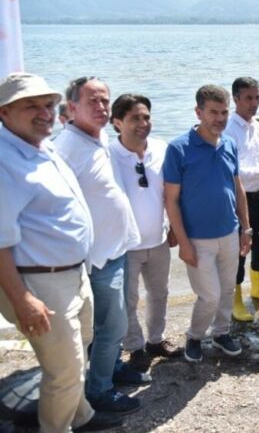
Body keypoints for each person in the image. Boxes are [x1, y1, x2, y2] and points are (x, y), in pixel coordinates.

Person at [0, 73, 122, 432]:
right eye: (30, 106)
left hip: (71, 274)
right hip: (39, 284)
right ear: (4, 112)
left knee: (79, 349)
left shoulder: (43, 145)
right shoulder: (4, 162)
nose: (43, 113)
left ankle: (80, 415)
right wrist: (22, 300)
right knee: (65, 371)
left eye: (47, 105)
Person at [54, 76, 145, 414]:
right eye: (92, 101)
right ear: (71, 107)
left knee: (113, 323)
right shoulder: (66, 148)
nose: (102, 107)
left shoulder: (98, 136)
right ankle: (100, 391)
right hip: (97, 258)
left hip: (117, 249)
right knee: (111, 326)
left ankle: (111, 369)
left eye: (105, 101)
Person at [163, 84, 251, 363]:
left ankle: (222, 332)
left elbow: (238, 189)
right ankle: (195, 335)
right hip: (197, 239)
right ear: (198, 112)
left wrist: (246, 228)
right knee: (209, 295)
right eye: (213, 112)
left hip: (230, 232)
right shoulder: (178, 148)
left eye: (224, 112)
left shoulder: (229, 144)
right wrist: (183, 242)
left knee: (227, 289)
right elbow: (171, 200)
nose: (220, 119)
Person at [109, 94, 182, 364]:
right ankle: (135, 346)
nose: (143, 123)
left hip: (159, 239)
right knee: (127, 301)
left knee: (160, 293)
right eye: (135, 118)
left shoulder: (161, 148)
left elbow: (171, 193)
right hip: (125, 245)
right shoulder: (108, 154)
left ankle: (155, 341)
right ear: (117, 122)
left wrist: (174, 227)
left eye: (147, 117)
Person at [223, 77, 259, 319]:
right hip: (236, 198)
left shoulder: (258, 126)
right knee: (239, 251)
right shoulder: (228, 129)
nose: (254, 103)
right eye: (248, 98)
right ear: (235, 99)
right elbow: (237, 171)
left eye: (257, 97)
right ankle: (235, 302)